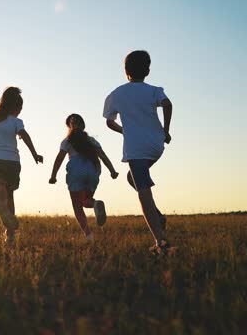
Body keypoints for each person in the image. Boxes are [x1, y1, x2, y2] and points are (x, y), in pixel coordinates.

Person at [103, 50, 174, 255]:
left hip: (136, 148)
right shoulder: (154, 90)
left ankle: (160, 242)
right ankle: (157, 216)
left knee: (143, 192)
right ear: (148, 71)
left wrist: (123, 130)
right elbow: (168, 104)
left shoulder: (117, 93)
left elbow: (109, 121)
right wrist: (166, 130)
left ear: (126, 71)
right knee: (131, 177)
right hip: (156, 145)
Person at [0, 87, 44, 245]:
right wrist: (34, 154)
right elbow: (25, 135)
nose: (20, 111)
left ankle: (1, 203)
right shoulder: (16, 121)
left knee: (0, 189)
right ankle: (10, 235)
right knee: (11, 195)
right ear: (15, 107)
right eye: (20, 108)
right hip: (12, 162)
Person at [49, 114, 118, 241]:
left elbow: (59, 158)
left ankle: (88, 235)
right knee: (86, 200)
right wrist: (112, 171)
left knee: (77, 206)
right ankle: (95, 203)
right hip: (93, 170)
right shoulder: (92, 141)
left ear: (69, 126)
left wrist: (53, 176)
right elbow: (102, 156)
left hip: (76, 171)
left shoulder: (67, 141)